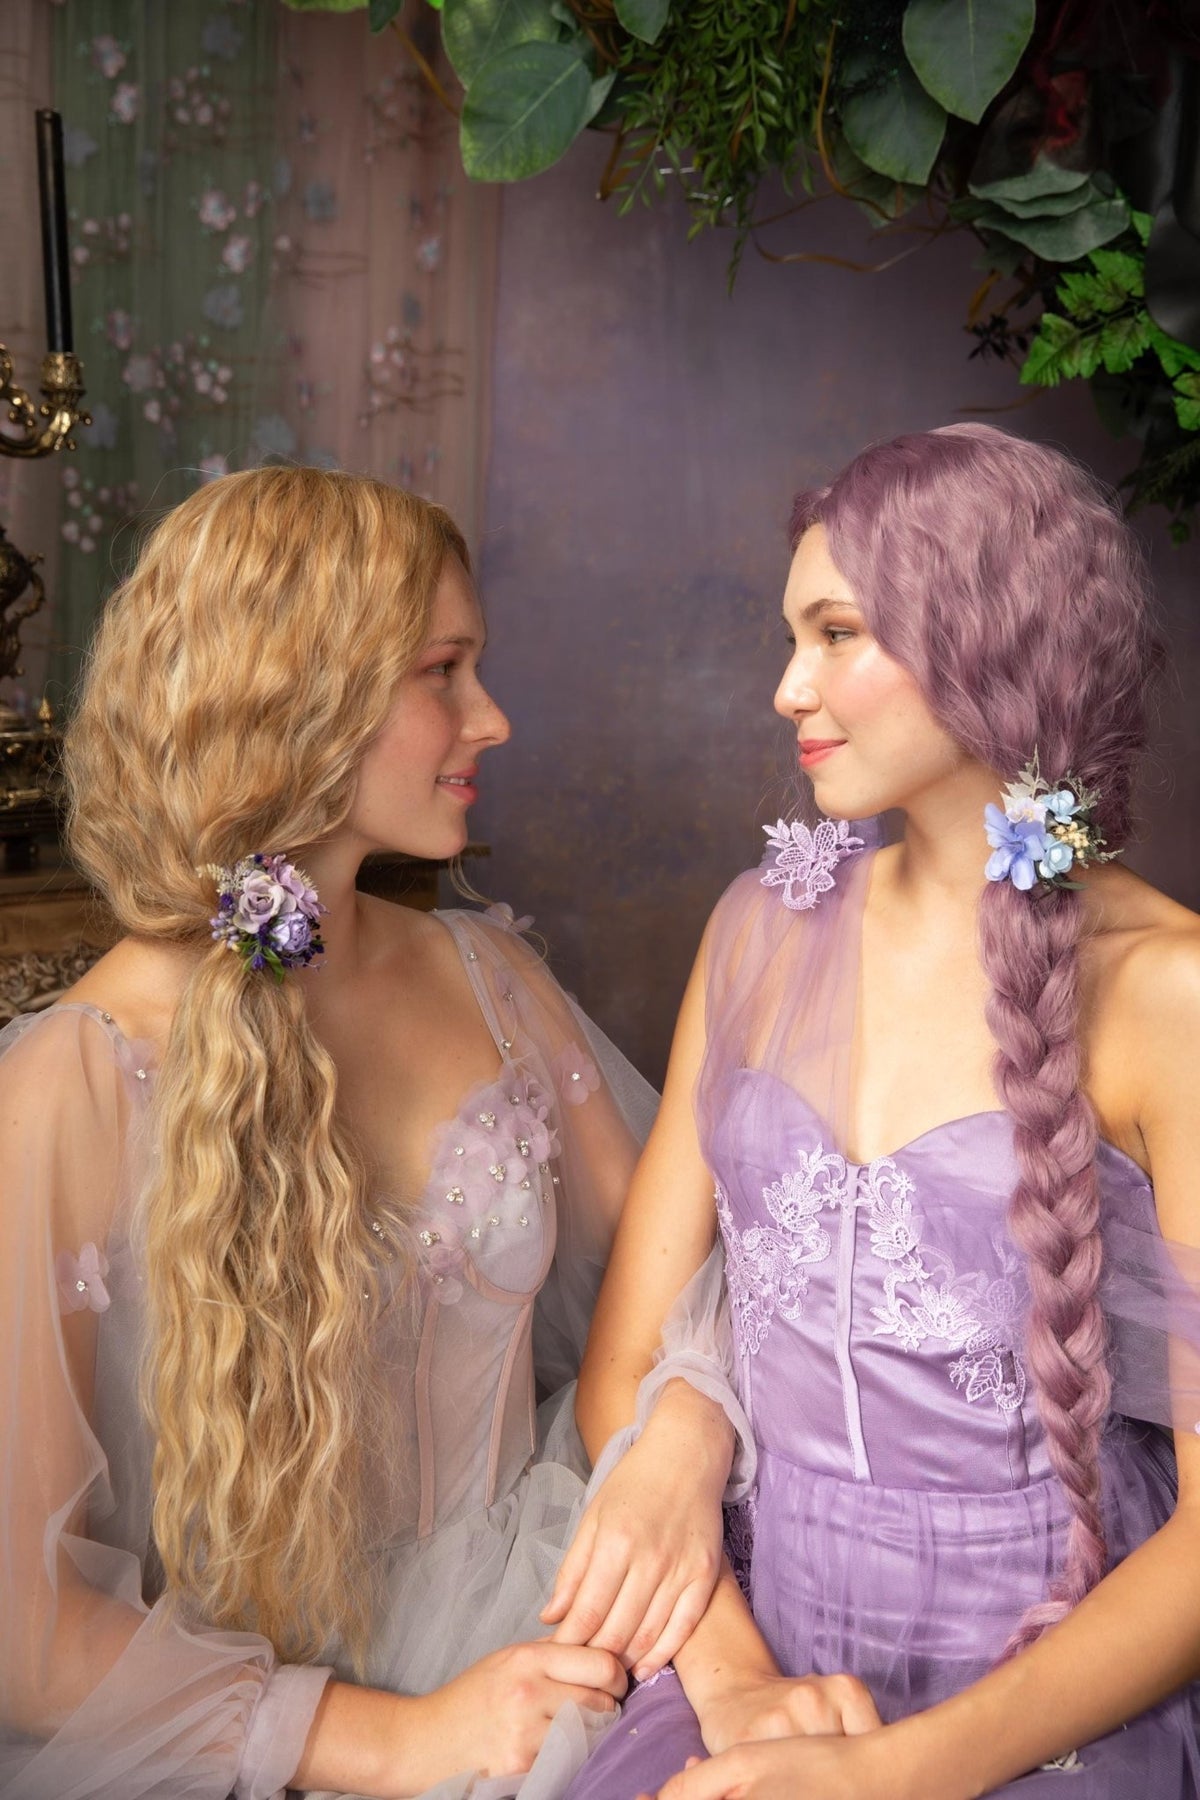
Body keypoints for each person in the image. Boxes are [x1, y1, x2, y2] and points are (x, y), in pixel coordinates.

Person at [549, 424, 1200, 1799]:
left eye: (837, 634)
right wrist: (738, 1685)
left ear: (990, 636)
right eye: (793, 636)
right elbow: (620, 1371)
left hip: (1039, 1693)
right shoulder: (757, 929)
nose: (789, 687)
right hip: (755, 1634)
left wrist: (885, 1778)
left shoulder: (1166, 990)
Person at [0, 467, 657, 1800]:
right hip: (237, 1741)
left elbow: (680, 1298)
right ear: (298, 697)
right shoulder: (75, 1083)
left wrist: (681, 1448)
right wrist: (397, 1743)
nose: (492, 718)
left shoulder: (493, 980)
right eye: (443, 673)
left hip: (533, 1615)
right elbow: (22, 1630)